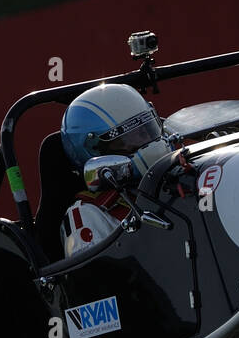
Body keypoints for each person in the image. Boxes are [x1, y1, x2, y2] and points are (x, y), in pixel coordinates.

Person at [58, 83, 171, 258]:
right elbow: (106, 280)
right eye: (131, 138)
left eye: (148, 130)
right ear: (96, 151)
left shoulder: (177, 172)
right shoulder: (89, 213)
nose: (150, 142)